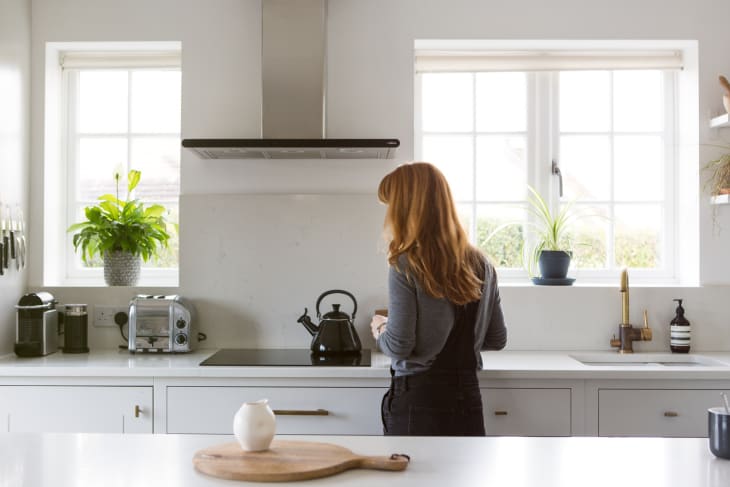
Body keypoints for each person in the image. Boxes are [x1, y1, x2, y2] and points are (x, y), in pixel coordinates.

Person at [371, 161, 507, 436]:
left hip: (418, 402)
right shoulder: (483, 264)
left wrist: (380, 328)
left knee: (416, 480)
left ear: (406, 209)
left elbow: (399, 345)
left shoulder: (405, 264)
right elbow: (496, 339)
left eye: (392, 205)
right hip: (468, 398)